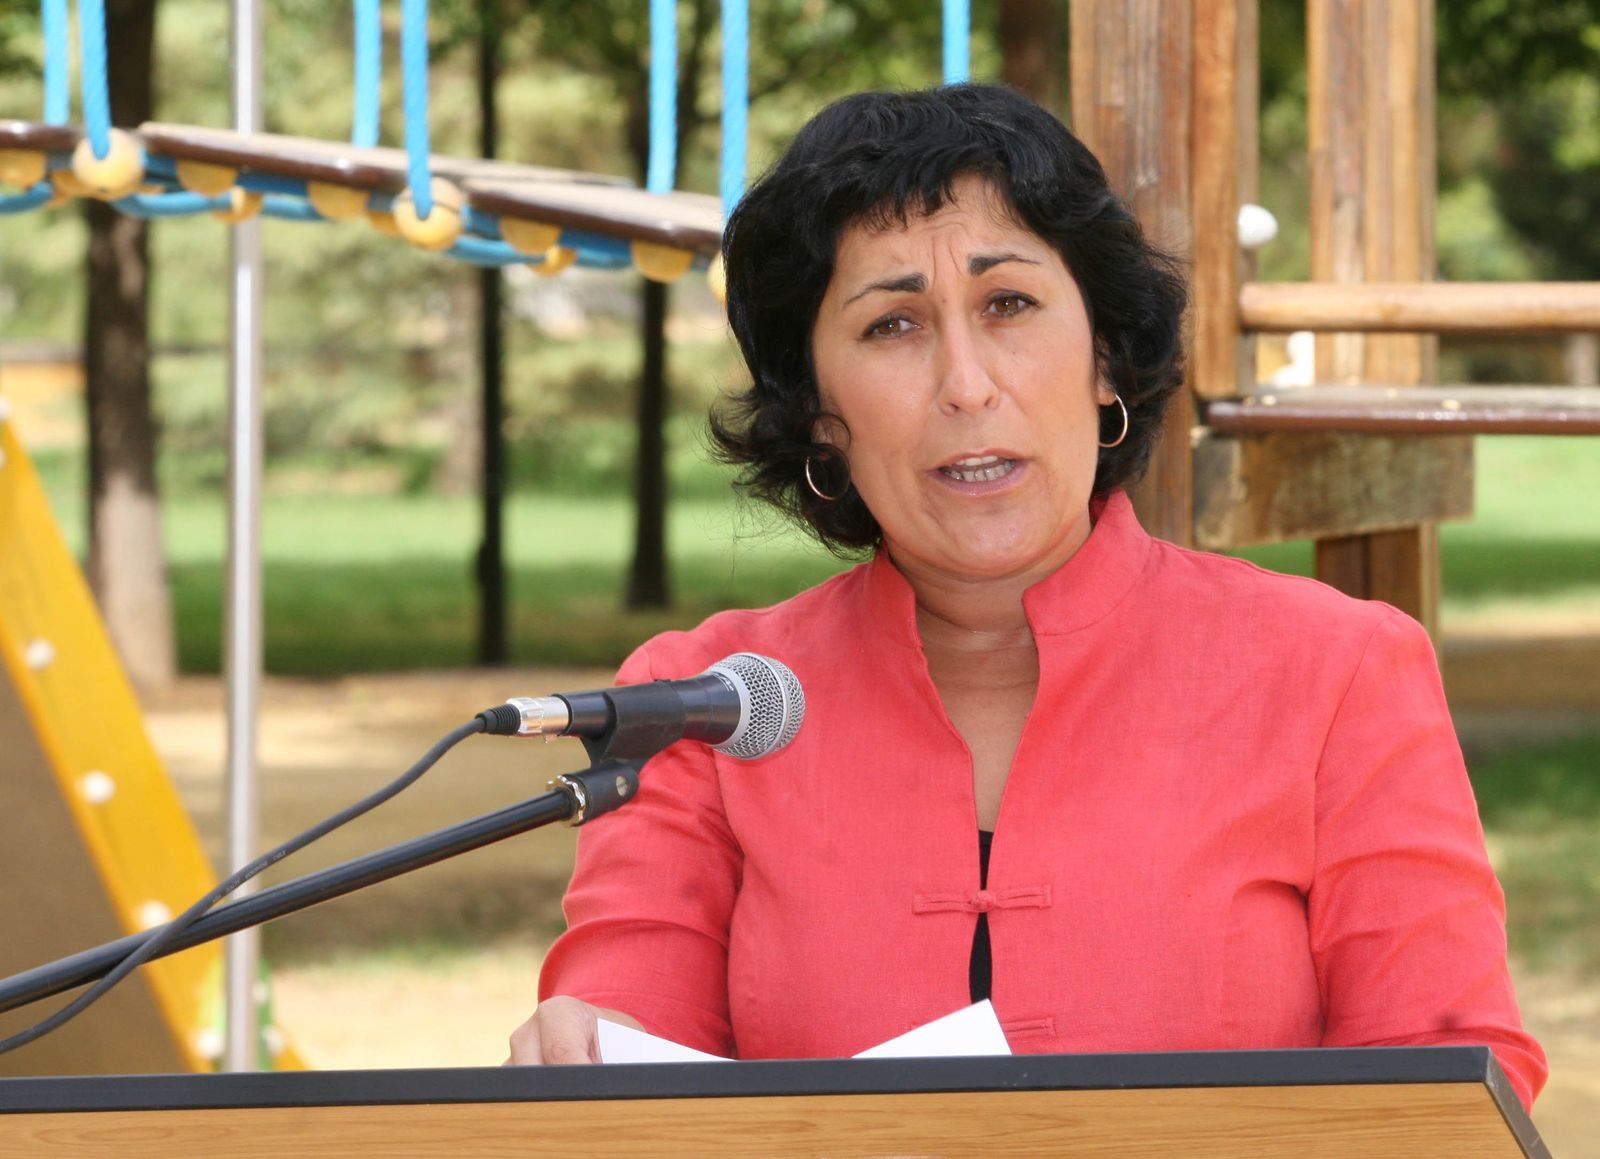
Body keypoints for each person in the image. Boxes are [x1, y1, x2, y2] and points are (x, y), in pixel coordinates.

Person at [507, 83, 1547, 1110]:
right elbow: (629, 1052)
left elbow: (1445, 1081)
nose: (966, 384)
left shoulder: (1337, 669)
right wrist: (585, 1049)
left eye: (1008, 304)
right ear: (819, 412)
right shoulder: (706, 702)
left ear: (1104, 359)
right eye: (892, 325)